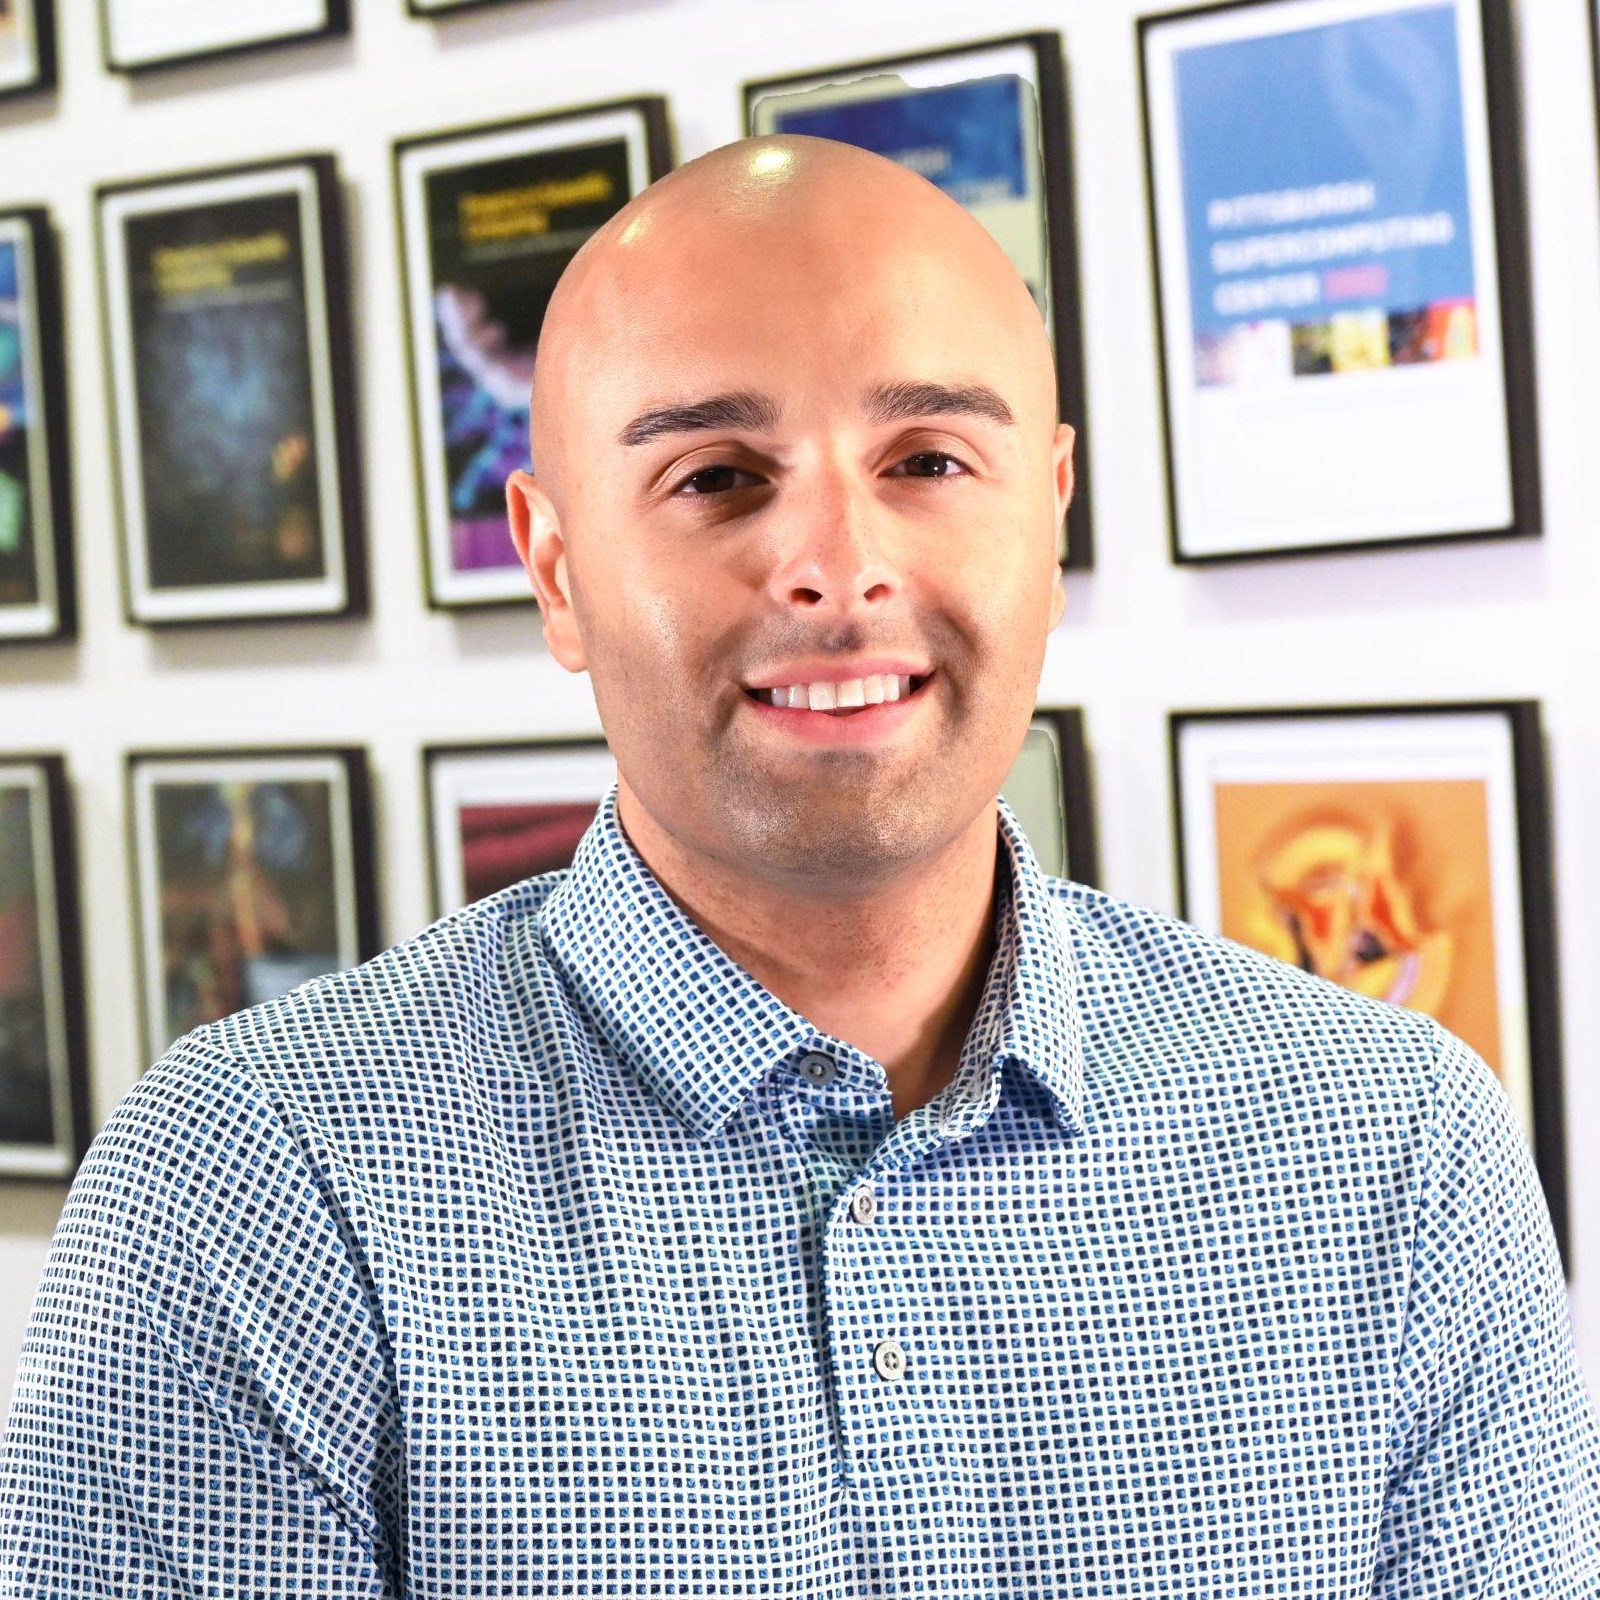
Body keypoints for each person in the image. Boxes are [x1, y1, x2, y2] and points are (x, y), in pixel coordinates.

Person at [2, 134, 1597, 1597]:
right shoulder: (255, 1192)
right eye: (717, 479)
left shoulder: (1392, 1145)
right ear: (558, 571)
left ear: (1047, 513)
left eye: (926, 461)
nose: (838, 568)